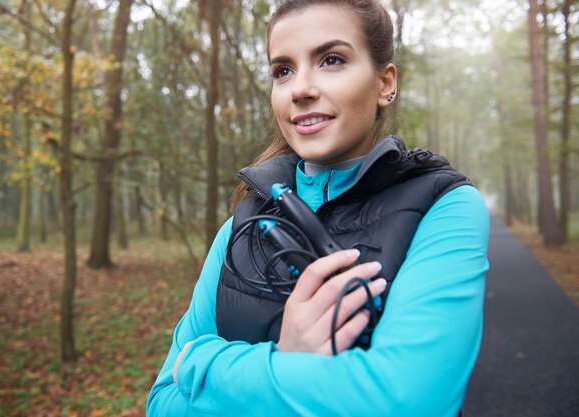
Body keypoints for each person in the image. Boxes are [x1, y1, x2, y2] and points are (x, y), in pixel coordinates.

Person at [147, 0, 489, 416]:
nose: (300, 89)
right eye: (283, 70)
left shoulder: (444, 207)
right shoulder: (240, 226)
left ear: (385, 83)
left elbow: (405, 401)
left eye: (331, 59)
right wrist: (288, 361)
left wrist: (205, 365)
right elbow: (163, 402)